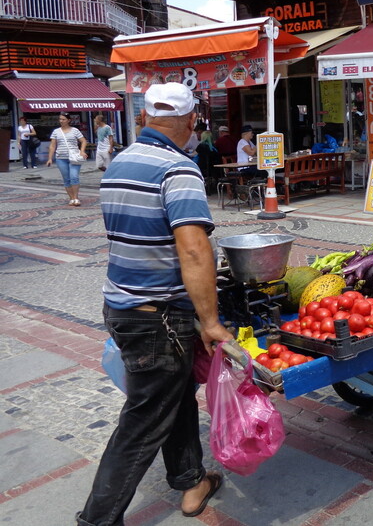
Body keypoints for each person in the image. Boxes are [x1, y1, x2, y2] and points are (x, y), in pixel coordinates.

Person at [76, 82, 233, 525]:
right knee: (143, 422)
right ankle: (97, 518)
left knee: (176, 396)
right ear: (191, 122)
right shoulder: (177, 169)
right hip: (159, 318)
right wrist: (210, 320)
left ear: (144, 118)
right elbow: (194, 250)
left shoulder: (120, 162)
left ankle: (191, 483)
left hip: (122, 307)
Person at [46, 112, 88, 206]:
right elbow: (52, 145)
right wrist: (50, 158)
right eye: (60, 119)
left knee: (74, 176)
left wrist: (82, 151)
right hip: (61, 158)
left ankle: (76, 198)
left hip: (74, 157)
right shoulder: (56, 132)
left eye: (63, 119)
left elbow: (83, 141)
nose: (61, 121)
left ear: (69, 120)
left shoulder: (75, 130)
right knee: (66, 179)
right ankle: (71, 198)